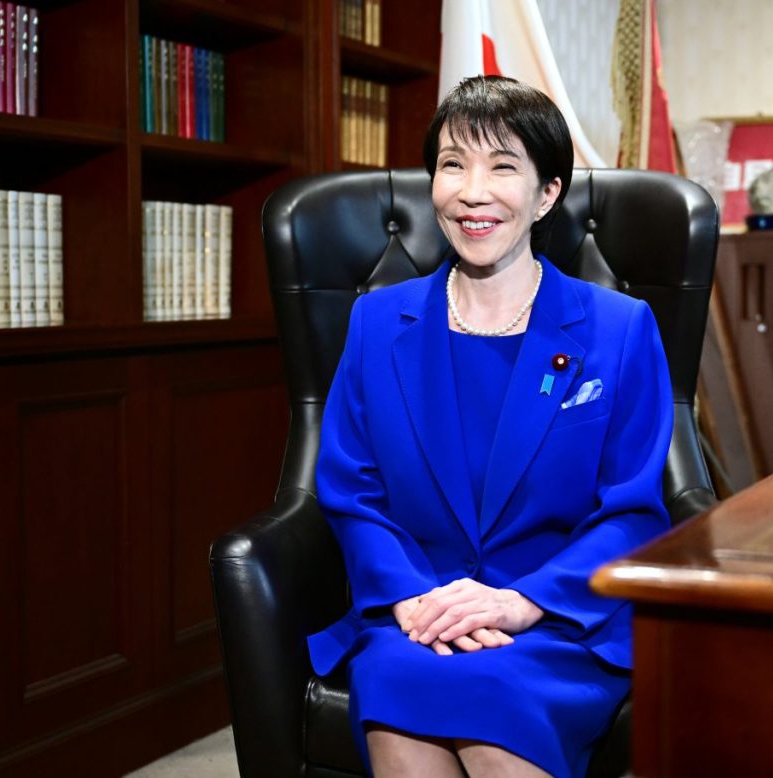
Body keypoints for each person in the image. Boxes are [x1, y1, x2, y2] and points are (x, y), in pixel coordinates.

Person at [307, 75, 673, 777]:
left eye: (503, 167)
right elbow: (351, 490)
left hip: (557, 619)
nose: (473, 192)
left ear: (547, 194)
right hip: (419, 612)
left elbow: (631, 511)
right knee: (401, 713)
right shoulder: (377, 322)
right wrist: (412, 600)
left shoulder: (619, 328)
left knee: (500, 732)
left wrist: (523, 602)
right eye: (453, 164)